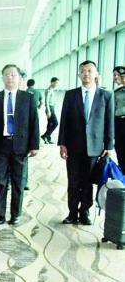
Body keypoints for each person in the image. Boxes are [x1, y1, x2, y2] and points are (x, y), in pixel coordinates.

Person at [57, 60, 115, 225]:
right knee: (73, 181)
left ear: (96, 74)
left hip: (95, 146)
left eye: (89, 71)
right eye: (83, 71)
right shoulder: (71, 95)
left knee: (88, 181)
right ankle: (72, 213)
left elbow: (109, 122)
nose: (86, 74)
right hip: (73, 146)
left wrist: (109, 146)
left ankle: (84, 212)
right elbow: (64, 120)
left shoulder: (106, 95)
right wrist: (62, 143)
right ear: (78, 74)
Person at [0, 64, 39, 225]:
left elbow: (34, 122)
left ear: (19, 78)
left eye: (13, 75)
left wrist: (34, 145)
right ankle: (0, 214)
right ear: (2, 77)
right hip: (0, 145)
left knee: (18, 182)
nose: (10, 77)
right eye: (7, 74)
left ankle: (15, 214)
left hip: (21, 146)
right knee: (0, 181)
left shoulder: (28, 98)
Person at [42, 77, 60, 144]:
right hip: (50, 108)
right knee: (56, 123)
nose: (57, 84)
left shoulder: (52, 90)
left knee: (50, 123)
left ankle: (47, 139)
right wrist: (48, 110)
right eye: (56, 83)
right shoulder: (49, 90)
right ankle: (45, 136)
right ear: (52, 82)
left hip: (52, 108)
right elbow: (46, 101)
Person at [113, 66, 125, 164]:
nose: (115, 77)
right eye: (114, 75)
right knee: (120, 150)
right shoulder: (116, 92)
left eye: (117, 75)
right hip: (118, 123)